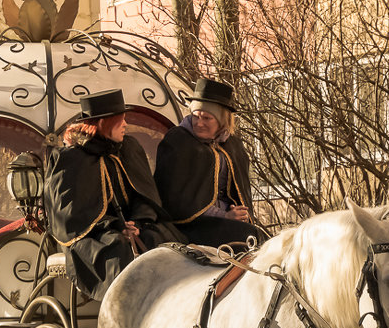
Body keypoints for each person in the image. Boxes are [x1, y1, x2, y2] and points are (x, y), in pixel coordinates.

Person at [44, 89, 183, 300]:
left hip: (132, 226)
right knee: (118, 251)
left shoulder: (128, 148)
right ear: (103, 123)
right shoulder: (71, 158)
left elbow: (145, 193)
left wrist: (138, 221)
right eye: (121, 120)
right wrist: (116, 226)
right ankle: (124, 314)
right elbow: (69, 214)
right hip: (92, 234)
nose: (126, 124)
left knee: (163, 240)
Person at [154, 77, 263, 249]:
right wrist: (225, 216)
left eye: (207, 118)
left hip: (229, 221)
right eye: (195, 116)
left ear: (221, 121)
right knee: (244, 236)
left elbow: (241, 190)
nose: (199, 123)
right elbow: (176, 198)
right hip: (190, 225)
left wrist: (238, 213)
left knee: (263, 240)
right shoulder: (178, 140)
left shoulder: (232, 145)